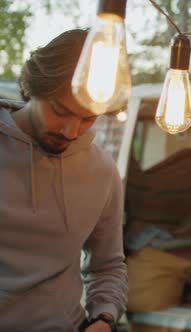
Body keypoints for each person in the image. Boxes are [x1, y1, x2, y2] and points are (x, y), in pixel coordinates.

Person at [0, 29, 127, 331]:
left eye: (88, 118)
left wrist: (104, 318)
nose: (71, 132)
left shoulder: (103, 171)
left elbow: (108, 265)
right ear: (35, 88)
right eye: (60, 110)